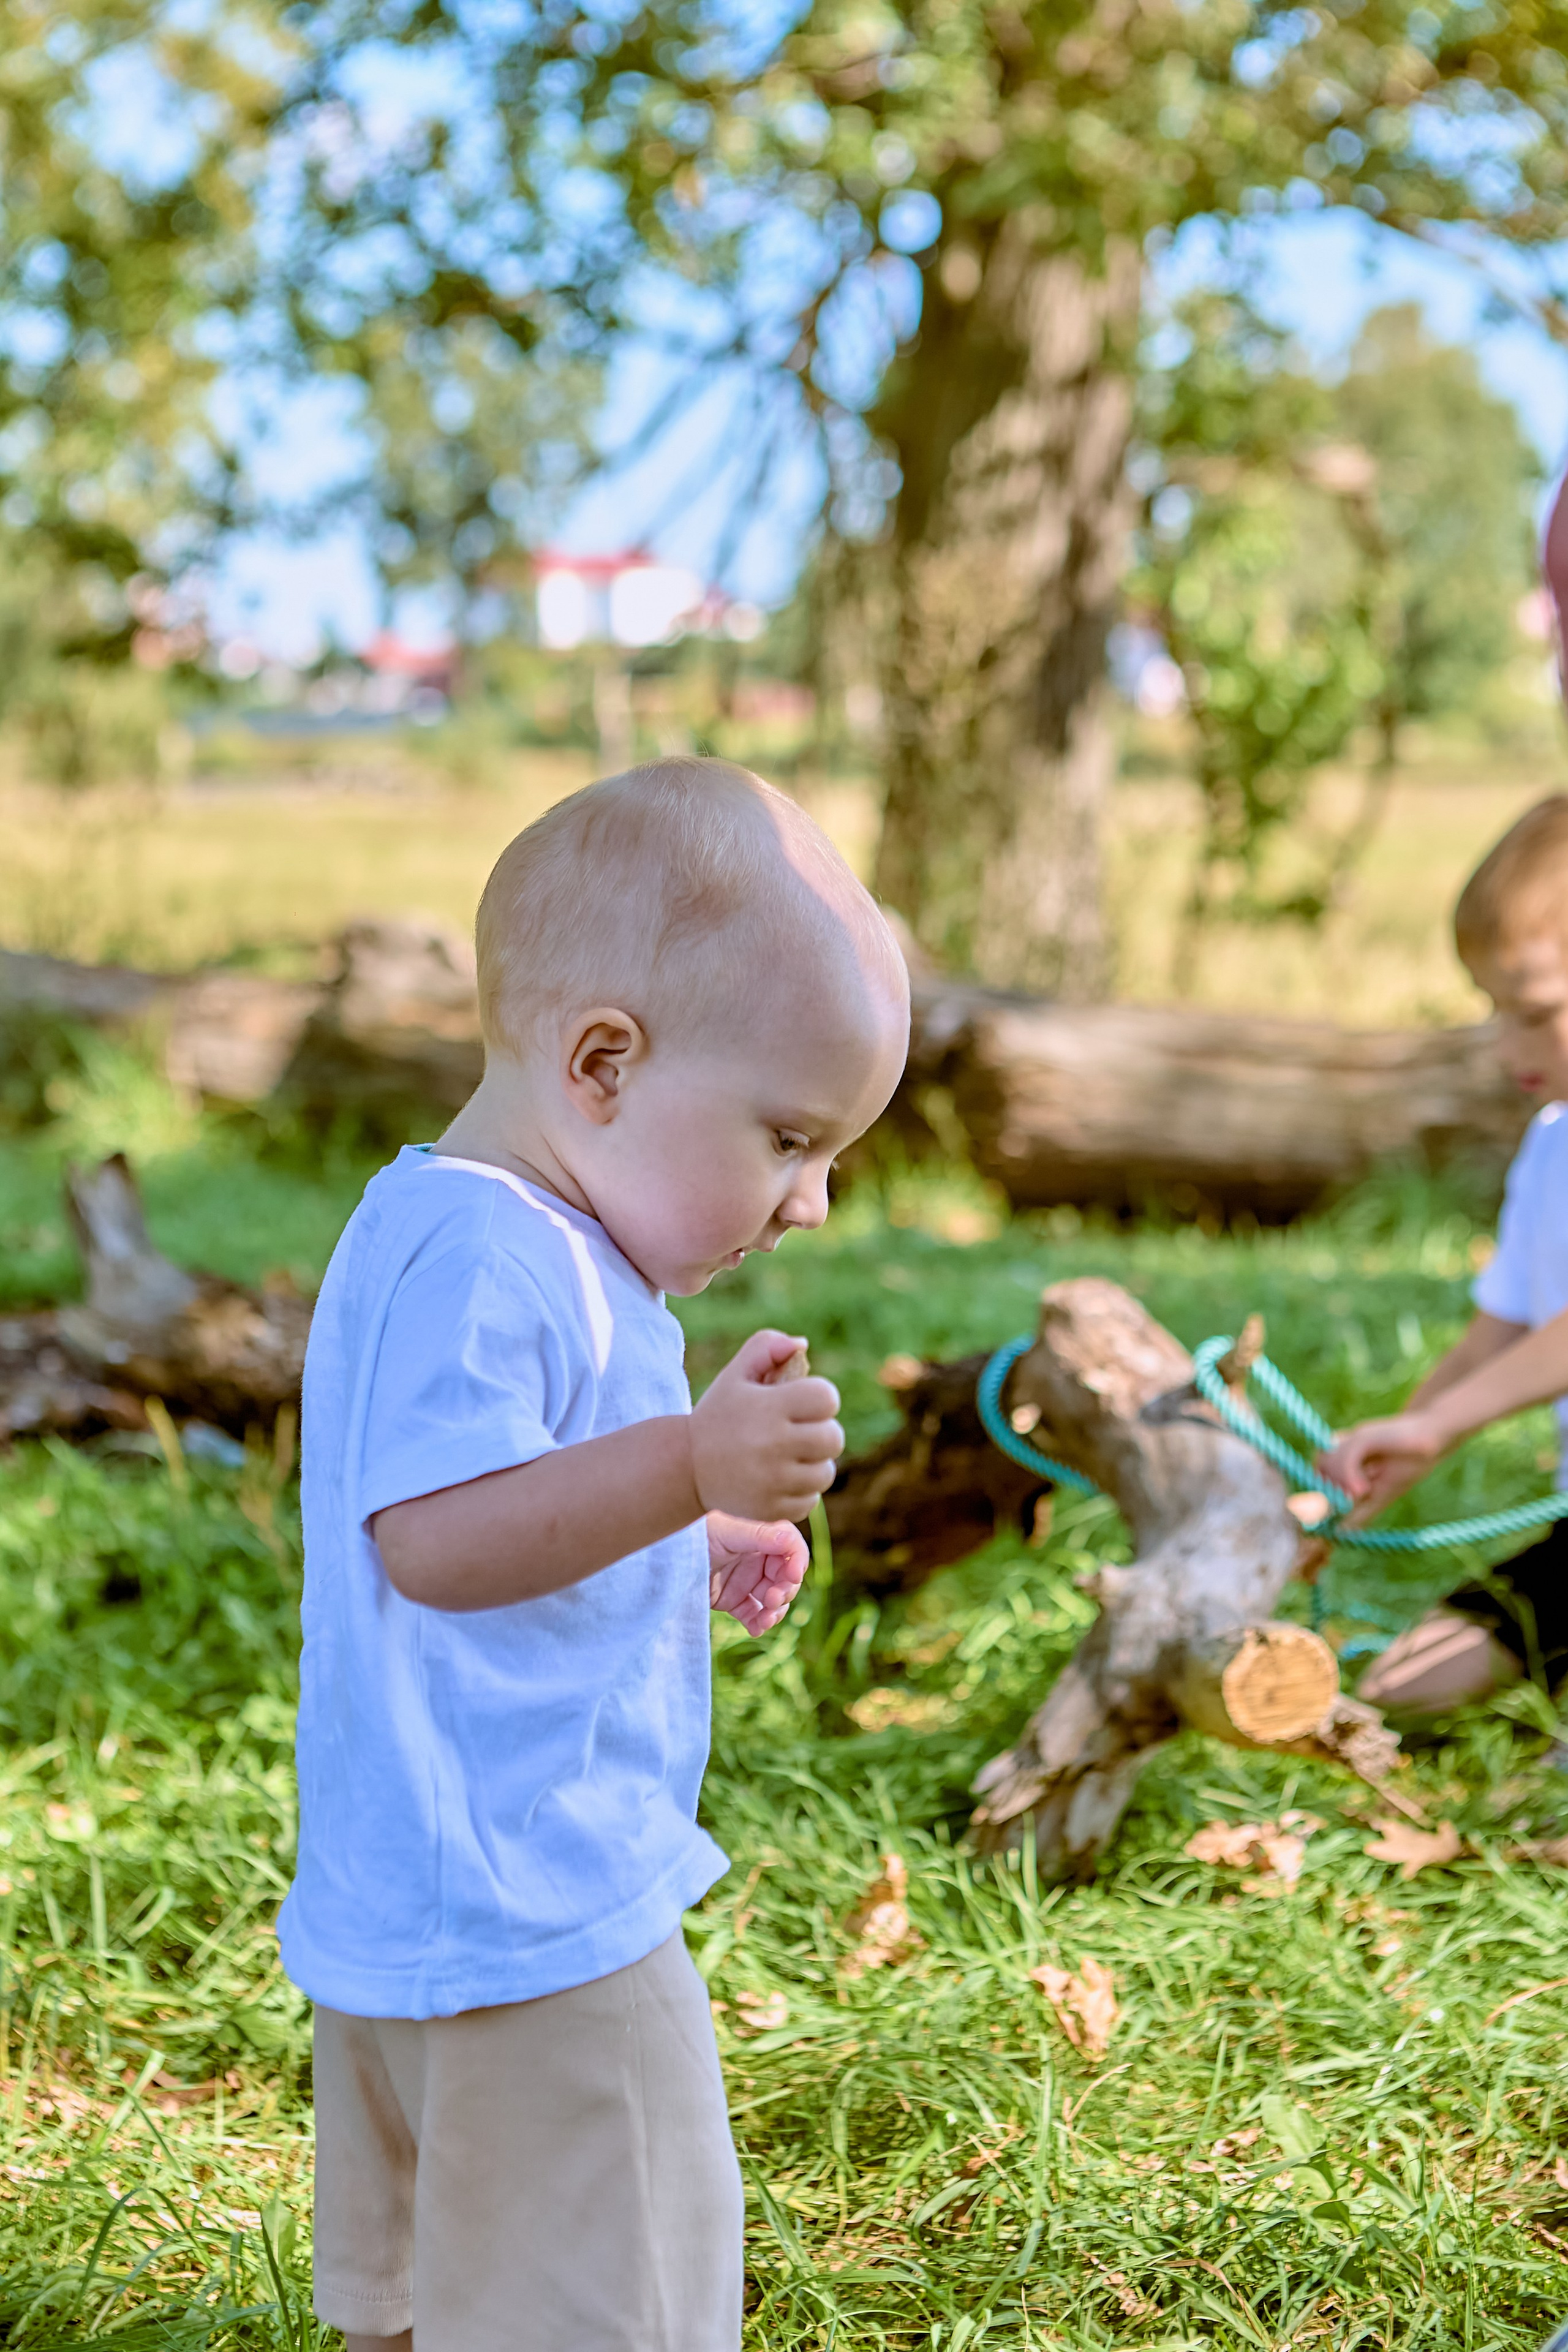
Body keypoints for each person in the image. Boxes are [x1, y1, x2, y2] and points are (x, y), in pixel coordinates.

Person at [276, 756, 910, 2352]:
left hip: (416, 1908)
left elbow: (508, 1511)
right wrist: (687, 1458)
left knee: (424, 2304)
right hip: (535, 1924)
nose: (811, 1203)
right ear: (603, 1064)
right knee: (619, 2304)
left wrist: (687, 1523)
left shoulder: (456, 1226)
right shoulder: (497, 1256)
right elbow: (436, 1541)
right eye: (789, 1137)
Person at [1321, 796, 1568, 1711]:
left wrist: (1439, 1426)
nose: (1508, 1048)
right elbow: (1495, 1339)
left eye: (1537, 1013)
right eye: (1495, 1011)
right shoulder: (1550, 1148)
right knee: (1402, 1689)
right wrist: (1405, 1450)